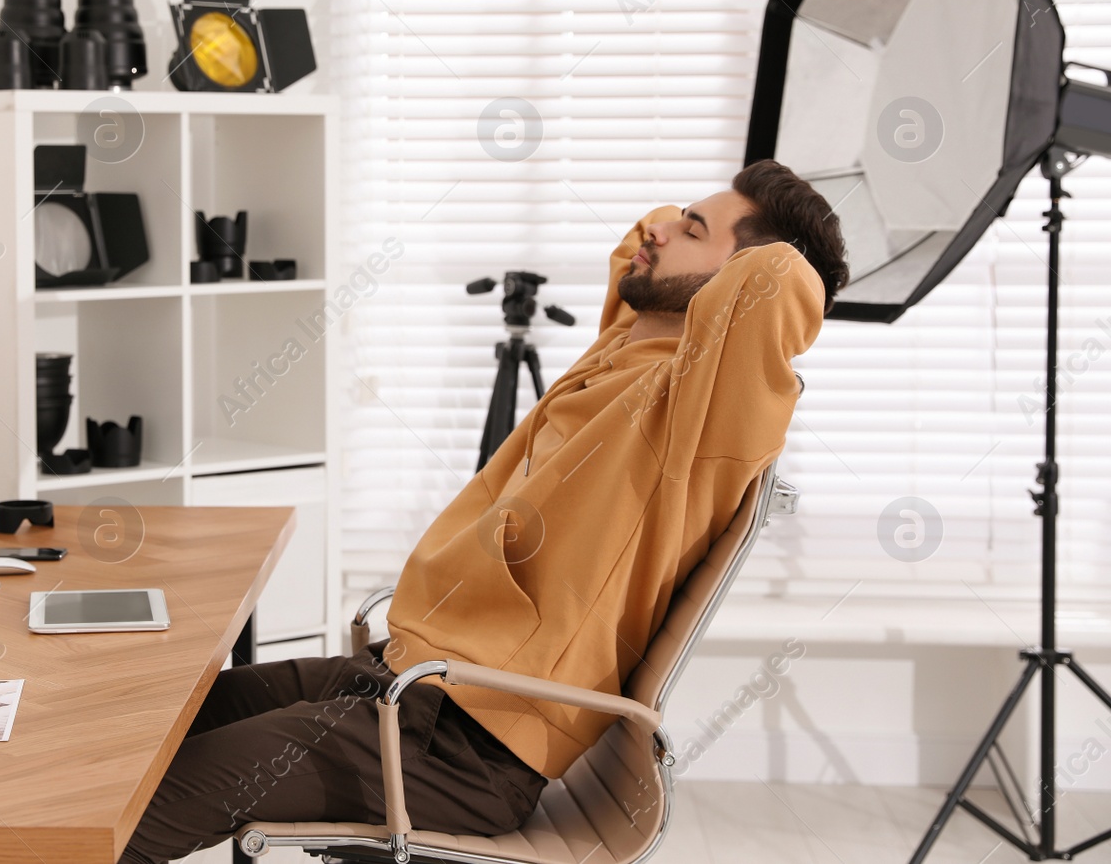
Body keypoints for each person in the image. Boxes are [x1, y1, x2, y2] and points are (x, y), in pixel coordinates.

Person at [118, 160, 850, 864]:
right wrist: (689, 231)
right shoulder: (629, 353)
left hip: (462, 748)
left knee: (130, 812)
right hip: (404, 684)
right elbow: (635, 250)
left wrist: (764, 240)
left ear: (736, 280)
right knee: (151, 719)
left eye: (692, 229)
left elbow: (780, 277)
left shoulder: (697, 416)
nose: (658, 229)